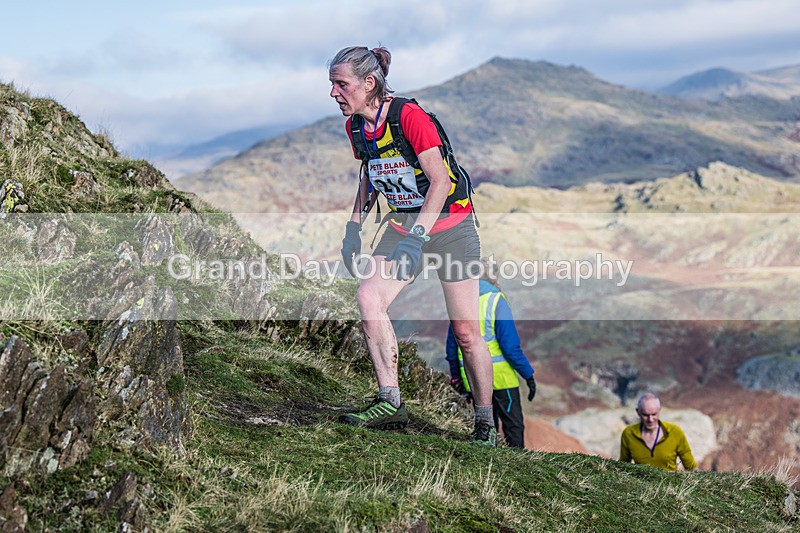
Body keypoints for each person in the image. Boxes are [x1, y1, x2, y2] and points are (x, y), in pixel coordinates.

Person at [329, 45, 498, 446]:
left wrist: (419, 239)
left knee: (466, 333)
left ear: (368, 83)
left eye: (341, 84)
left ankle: (485, 424)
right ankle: (390, 402)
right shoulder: (357, 127)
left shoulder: (409, 116)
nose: (334, 93)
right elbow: (369, 174)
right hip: (403, 225)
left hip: (451, 227)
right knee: (369, 297)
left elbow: (439, 181)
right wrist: (354, 228)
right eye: (332, 85)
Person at [445, 261, 536, 448]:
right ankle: (517, 467)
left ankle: (487, 464)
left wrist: (457, 378)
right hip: (502, 379)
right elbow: (510, 347)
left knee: (485, 425)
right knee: (513, 427)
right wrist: (528, 375)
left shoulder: (460, 301)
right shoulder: (496, 300)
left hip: (473, 377)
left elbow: (452, 348)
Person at [619, 392, 697, 472]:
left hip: (670, 483)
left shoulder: (675, 432)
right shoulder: (628, 434)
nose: (650, 419)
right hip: (640, 483)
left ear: (659, 410)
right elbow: (622, 467)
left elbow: (691, 467)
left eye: (654, 414)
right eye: (645, 415)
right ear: (638, 412)